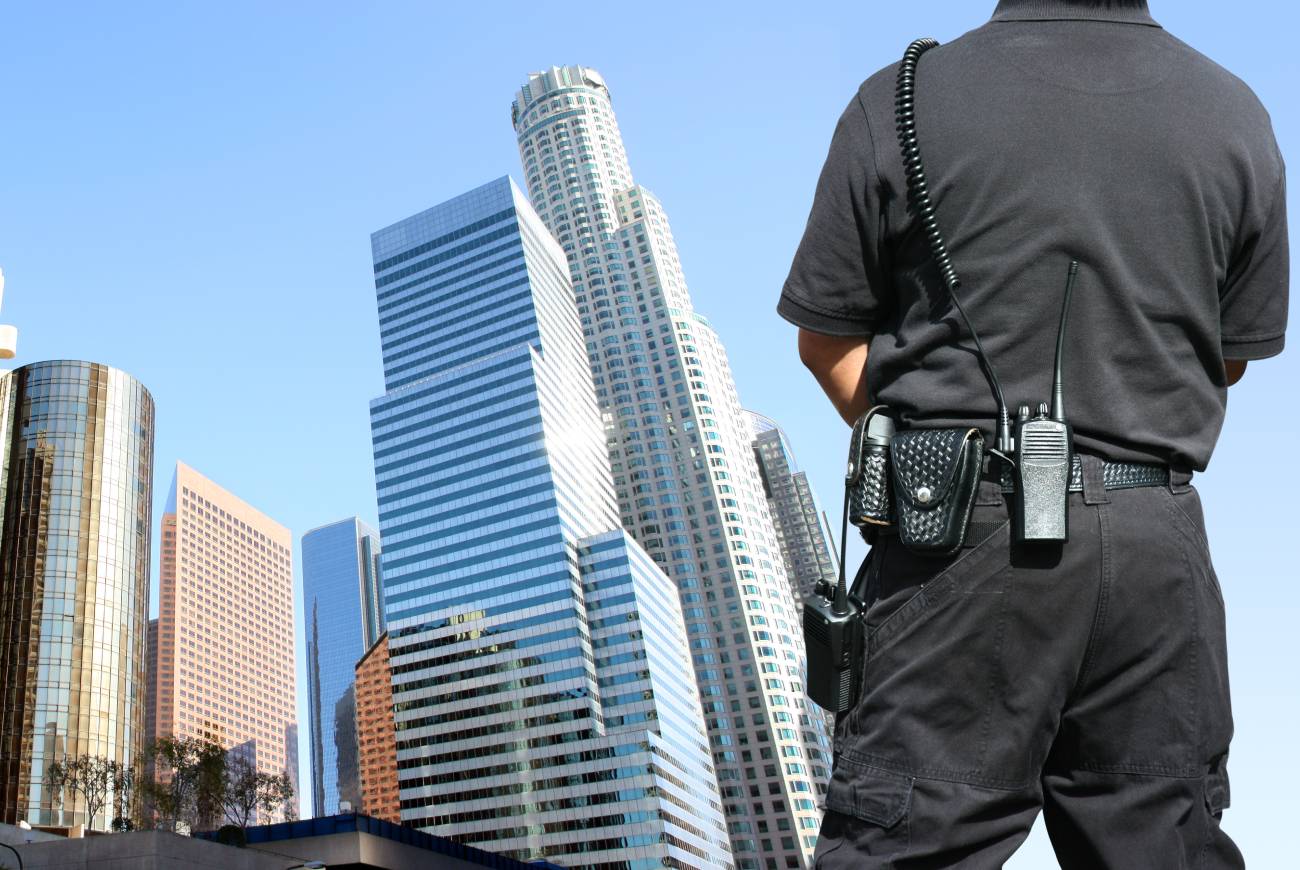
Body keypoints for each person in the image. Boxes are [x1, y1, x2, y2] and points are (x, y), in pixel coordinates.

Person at [779, 1, 1288, 867]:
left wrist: (931, 463)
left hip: (957, 533)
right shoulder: (1237, 111)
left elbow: (826, 338)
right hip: (1153, 543)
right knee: (1162, 846)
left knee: (905, 844)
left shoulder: (900, 96)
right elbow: (1230, 356)